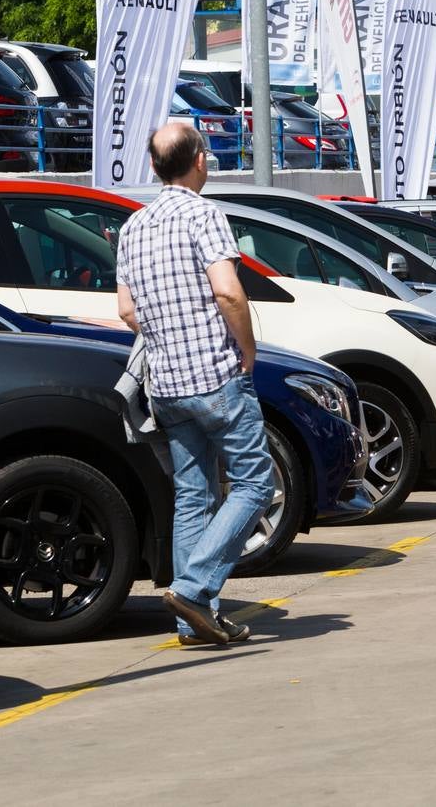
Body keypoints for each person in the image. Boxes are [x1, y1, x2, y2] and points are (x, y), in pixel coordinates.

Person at [116, 124, 273, 645]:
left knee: (193, 496)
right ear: (200, 161)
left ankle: (193, 622)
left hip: (166, 382)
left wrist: (169, 334)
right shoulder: (204, 214)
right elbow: (229, 293)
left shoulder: (133, 227)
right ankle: (193, 586)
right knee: (255, 483)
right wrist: (246, 351)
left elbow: (125, 310)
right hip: (215, 375)